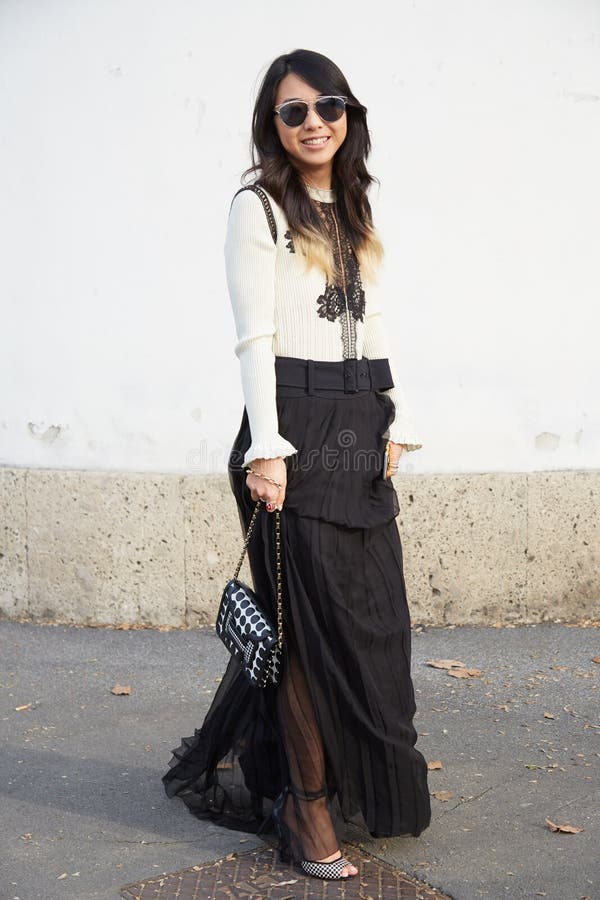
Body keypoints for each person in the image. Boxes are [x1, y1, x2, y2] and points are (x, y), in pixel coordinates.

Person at [162, 48, 432, 881]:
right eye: (294, 111)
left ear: (349, 116)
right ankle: (305, 808)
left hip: (358, 422)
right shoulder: (259, 207)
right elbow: (256, 338)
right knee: (310, 636)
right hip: (292, 428)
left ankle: (336, 781)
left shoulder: (354, 202)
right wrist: (269, 450)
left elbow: (374, 317)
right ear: (271, 124)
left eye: (329, 106)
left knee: (372, 622)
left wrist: (398, 412)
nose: (314, 121)